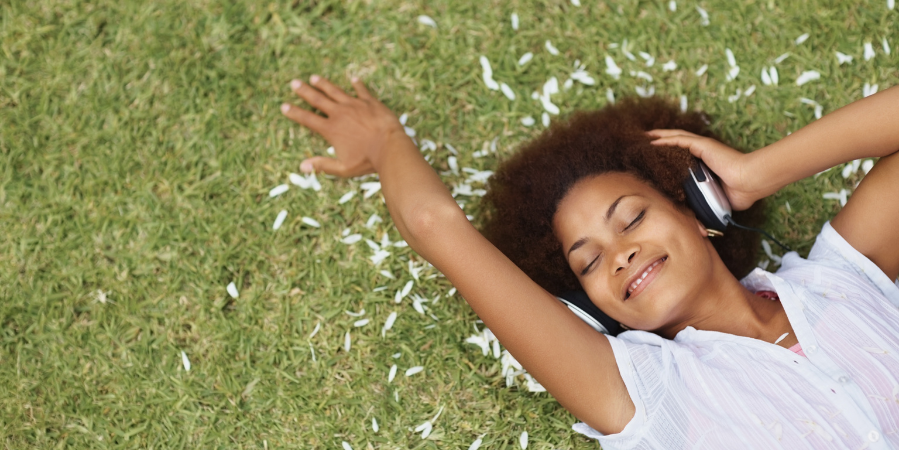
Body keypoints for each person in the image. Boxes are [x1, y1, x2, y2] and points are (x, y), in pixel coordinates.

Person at [280, 75, 899, 449]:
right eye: (588, 262)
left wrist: (754, 174)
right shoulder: (644, 393)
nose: (621, 255)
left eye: (631, 218)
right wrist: (386, 142)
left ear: (693, 208)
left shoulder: (841, 279)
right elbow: (436, 227)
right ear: (588, 306)